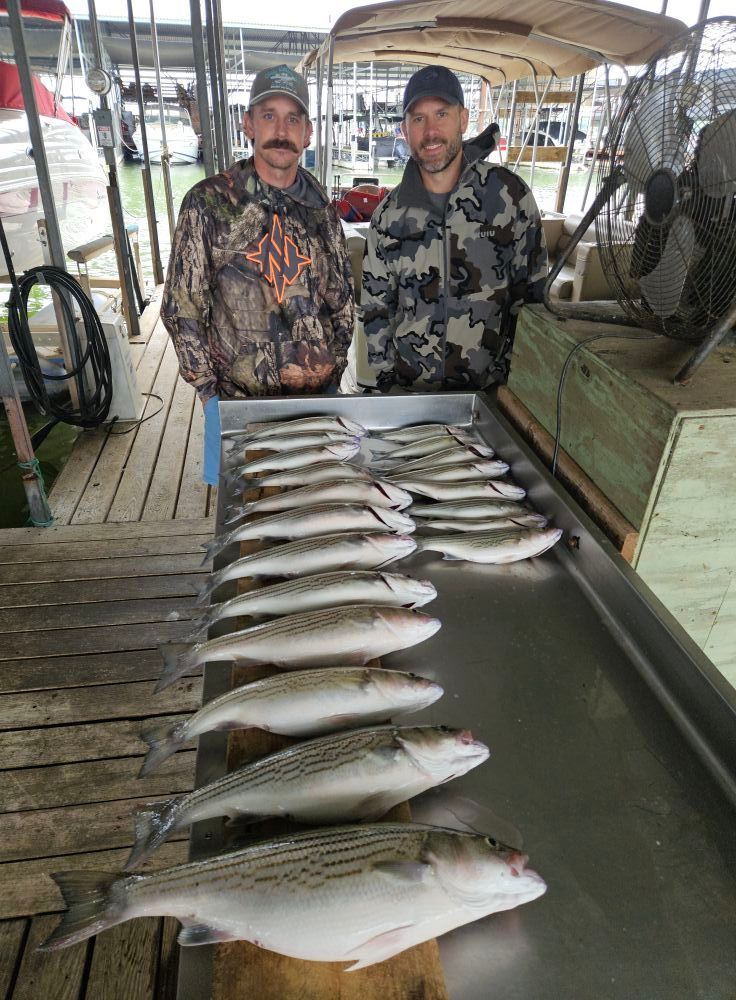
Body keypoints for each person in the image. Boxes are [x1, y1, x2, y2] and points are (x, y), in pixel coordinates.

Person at [161, 64, 355, 484]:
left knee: (320, 518)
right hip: (238, 403)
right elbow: (182, 308)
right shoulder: (208, 202)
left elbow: (342, 303)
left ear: (308, 132)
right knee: (244, 525)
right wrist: (209, 393)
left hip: (317, 404)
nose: (280, 130)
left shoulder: (322, 208)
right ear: (248, 124)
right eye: (268, 115)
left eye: (292, 118)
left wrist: (332, 369)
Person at [361, 65, 548, 393]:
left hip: (491, 395)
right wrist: (388, 385)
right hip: (410, 395)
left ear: (463, 119)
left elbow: (533, 299)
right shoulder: (388, 218)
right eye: (418, 119)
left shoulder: (509, 197)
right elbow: (377, 310)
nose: (430, 131)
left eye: (441, 114)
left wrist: (513, 381)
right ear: (405, 130)